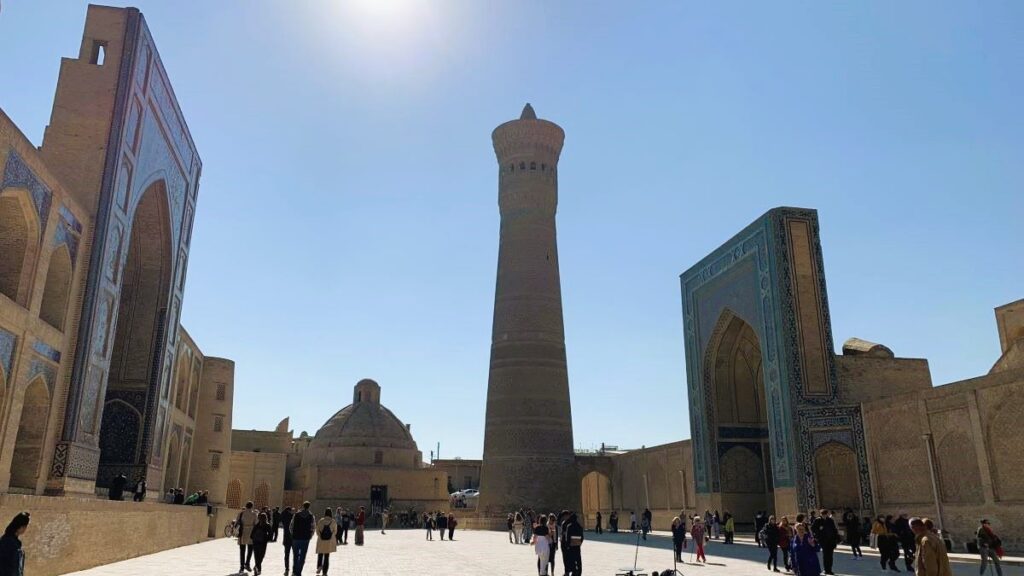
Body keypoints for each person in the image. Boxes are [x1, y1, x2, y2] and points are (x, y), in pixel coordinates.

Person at [290, 501, 316, 576]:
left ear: (303, 506)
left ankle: (294, 571)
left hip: (296, 537)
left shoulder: (296, 515)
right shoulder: (311, 516)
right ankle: (299, 572)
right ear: (309, 507)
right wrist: (311, 535)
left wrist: (292, 534)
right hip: (305, 538)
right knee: (302, 555)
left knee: (295, 555)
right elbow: (313, 527)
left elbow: (291, 525)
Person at [813, 509, 839, 575]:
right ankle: (826, 569)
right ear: (821, 514)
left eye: (825, 514)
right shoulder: (818, 520)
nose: (824, 516)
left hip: (831, 540)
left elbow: (834, 529)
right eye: (823, 514)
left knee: (830, 556)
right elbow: (813, 528)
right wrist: (819, 529)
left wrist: (836, 538)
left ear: (827, 514)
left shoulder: (830, 520)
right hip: (823, 541)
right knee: (825, 555)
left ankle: (829, 569)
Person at [236, 501, 258, 574]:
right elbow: (256, 523)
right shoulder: (254, 514)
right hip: (251, 533)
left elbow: (237, 522)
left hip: (242, 532)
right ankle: (247, 563)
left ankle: (241, 567)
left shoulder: (241, 513)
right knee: (250, 550)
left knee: (242, 550)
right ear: (252, 506)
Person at [315, 508, 338, 576]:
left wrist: (320, 536)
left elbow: (317, 531)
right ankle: (324, 572)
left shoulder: (321, 521)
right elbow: (335, 532)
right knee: (327, 557)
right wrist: (330, 537)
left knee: (320, 554)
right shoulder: (333, 522)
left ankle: (319, 566)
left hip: (321, 541)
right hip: (329, 542)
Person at [250, 512, 273, 576]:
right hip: (263, 543)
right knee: (261, 556)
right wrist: (267, 539)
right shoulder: (267, 525)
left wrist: (254, 538)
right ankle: (257, 568)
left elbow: (251, 535)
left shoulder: (257, 525)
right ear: (266, 518)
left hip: (255, 543)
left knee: (256, 556)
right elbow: (271, 535)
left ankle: (257, 568)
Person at [280, 506, 295, 576]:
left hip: (286, 539)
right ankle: (294, 568)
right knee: (295, 554)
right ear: (289, 511)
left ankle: (287, 568)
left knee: (286, 554)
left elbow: (282, 515)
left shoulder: (284, 518)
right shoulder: (293, 517)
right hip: (293, 538)